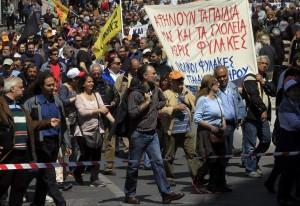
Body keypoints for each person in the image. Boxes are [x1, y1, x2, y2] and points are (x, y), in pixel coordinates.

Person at [124, 64, 184, 204]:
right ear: (145, 76)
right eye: (153, 73)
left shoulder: (156, 90)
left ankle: (166, 193)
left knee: (158, 164)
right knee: (133, 166)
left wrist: (155, 106)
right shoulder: (135, 93)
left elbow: (163, 100)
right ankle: (130, 194)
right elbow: (132, 113)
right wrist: (146, 103)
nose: (156, 75)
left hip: (152, 135)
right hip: (138, 134)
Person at [0, 77, 60, 206]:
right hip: (7, 155)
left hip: (23, 154)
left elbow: (30, 125)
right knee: (2, 186)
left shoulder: (20, 107)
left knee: (19, 188)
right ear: (12, 89)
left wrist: (48, 123)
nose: (23, 89)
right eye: (21, 87)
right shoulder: (1, 105)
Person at [24, 72, 71, 206]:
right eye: (49, 85)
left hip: (54, 142)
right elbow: (29, 125)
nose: (52, 87)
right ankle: (61, 202)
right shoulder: (32, 103)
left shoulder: (57, 101)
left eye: (53, 84)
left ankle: (37, 203)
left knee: (42, 176)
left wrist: (67, 143)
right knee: (49, 175)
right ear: (42, 86)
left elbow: (63, 124)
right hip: (40, 143)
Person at [160, 70, 206, 193]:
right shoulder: (166, 94)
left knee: (192, 154)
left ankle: (196, 179)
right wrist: (174, 107)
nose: (180, 82)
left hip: (187, 130)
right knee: (169, 156)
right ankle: (169, 177)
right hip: (172, 131)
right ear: (171, 82)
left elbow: (196, 101)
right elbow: (159, 110)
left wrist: (202, 90)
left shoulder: (187, 92)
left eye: (181, 80)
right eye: (177, 80)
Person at [73, 74, 114, 187]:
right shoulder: (79, 97)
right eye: (89, 82)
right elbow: (82, 112)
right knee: (86, 155)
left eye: (92, 82)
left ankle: (94, 179)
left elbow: (104, 110)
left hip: (97, 129)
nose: (91, 83)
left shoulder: (97, 95)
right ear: (83, 84)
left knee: (96, 155)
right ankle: (77, 172)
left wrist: (113, 122)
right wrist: (98, 110)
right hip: (83, 131)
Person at [194, 74, 230, 193]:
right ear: (210, 85)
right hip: (206, 132)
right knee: (210, 159)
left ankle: (220, 184)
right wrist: (211, 127)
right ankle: (199, 182)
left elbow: (222, 115)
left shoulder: (218, 98)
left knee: (221, 159)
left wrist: (223, 125)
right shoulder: (203, 100)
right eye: (216, 82)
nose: (219, 83)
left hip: (218, 132)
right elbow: (197, 118)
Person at [242, 55, 276, 178]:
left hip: (264, 117)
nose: (264, 65)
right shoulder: (249, 78)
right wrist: (262, 109)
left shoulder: (264, 78)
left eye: (266, 64)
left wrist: (263, 81)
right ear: (256, 63)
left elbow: (273, 91)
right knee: (250, 144)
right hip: (252, 116)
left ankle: (253, 162)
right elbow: (253, 96)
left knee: (266, 140)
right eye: (262, 63)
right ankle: (250, 168)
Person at [90, 63, 120, 174]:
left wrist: (113, 103)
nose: (96, 74)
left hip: (109, 116)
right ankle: (92, 166)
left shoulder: (108, 84)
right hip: (94, 118)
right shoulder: (88, 85)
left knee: (110, 142)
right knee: (94, 144)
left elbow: (117, 96)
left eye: (98, 72)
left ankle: (109, 166)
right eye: (94, 72)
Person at [214, 66, 246, 162]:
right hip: (220, 124)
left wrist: (240, 116)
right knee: (224, 151)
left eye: (224, 76)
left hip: (231, 123)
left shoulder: (233, 86)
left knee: (227, 152)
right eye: (219, 77)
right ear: (216, 77)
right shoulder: (214, 89)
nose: (222, 79)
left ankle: (221, 168)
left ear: (227, 75)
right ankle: (218, 170)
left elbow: (239, 103)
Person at [276, 79, 300, 206]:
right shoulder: (286, 105)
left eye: (298, 89)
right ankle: (282, 197)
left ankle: (288, 195)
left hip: (294, 138)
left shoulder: (295, 102)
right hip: (288, 139)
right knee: (287, 171)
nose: (297, 92)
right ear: (288, 92)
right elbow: (295, 123)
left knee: (294, 171)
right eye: (294, 90)